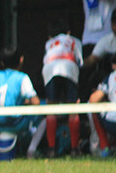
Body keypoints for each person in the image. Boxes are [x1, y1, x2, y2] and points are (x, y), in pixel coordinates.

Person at [0, 46, 40, 159]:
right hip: (14, 122)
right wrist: (24, 103)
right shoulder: (22, 77)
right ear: (21, 60)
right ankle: (32, 150)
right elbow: (36, 102)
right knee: (44, 110)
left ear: (2, 63)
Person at [33, 21, 82, 156]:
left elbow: (45, 60)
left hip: (50, 68)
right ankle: (74, 148)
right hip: (70, 66)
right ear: (68, 32)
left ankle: (51, 149)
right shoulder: (74, 40)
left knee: (51, 108)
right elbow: (80, 61)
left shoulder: (49, 43)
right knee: (73, 108)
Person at [87, 51, 116, 155]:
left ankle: (105, 148)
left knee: (93, 107)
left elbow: (93, 99)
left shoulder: (112, 76)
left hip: (113, 121)